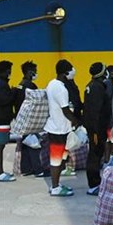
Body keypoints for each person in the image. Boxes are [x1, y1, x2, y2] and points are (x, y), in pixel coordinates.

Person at [44, 60, 80, 196]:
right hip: (58, 129)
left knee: (61, 159)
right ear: (66, 72)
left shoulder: (52, 83)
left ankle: (57, 184)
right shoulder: (60, 88)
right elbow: (65, 110)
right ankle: (55, 187)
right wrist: (77, 122)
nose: (73, 71)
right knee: (56, 160)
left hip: (58, 127)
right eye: (71, 69)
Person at [83, 62, 111, 195]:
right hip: (96, 128)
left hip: (95, 127)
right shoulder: (98, 87)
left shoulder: (91, 85)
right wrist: (95, 130)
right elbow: (95, 110)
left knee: (95, 154)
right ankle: (94, 184)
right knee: (95, 154)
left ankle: (95, 182)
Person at [14, 61, 46, 177]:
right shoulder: (30, 86)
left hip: (21, 119)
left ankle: (26, 168)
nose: (36, 74)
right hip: (30, 120)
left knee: (26, 144)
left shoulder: (20, 85)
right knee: (34, 144)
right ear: (29, 72)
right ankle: (38, 170)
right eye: (35, 71)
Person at [0, 61, 16, 182]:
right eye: (8, 70)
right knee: (0, 147)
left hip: (2, 119)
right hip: (1, 120)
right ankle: (0, 172)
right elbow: (4, 100)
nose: (9, 73)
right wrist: (14, 93)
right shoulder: (1, 84)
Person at [103, 65, 113, 162]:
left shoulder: (106, 84)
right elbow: (110, 100)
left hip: (106, 118)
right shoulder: (110, 84)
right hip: (111, 118)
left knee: (108, 141)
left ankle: (107, 160)